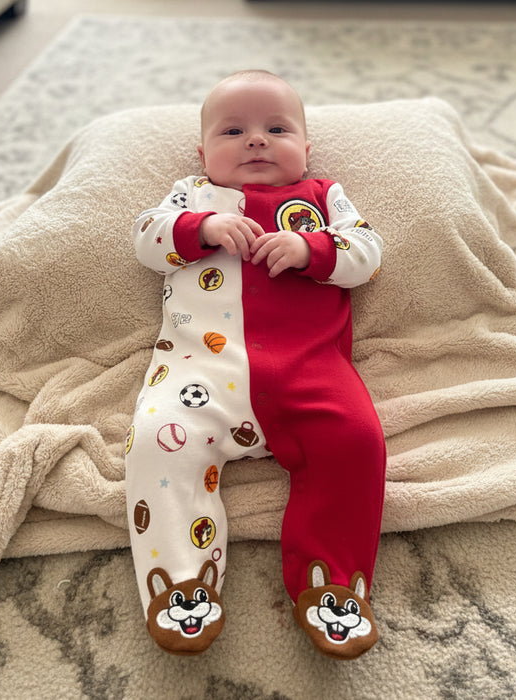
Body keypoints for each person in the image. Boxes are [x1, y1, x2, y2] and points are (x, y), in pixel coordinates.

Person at [125, 70, 386, 659]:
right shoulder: (191, 195)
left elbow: (368, 253)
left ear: (306, 147)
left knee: (357, 442)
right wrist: (202, 228)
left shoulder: (322, 197)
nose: (256, 141)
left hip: (311, 372)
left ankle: (333, 589)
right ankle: (183, 588)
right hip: (197, 375)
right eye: (233, 130)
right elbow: (145, 239)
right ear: (202, 152)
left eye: (276, 128)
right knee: (154, 444)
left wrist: (312, 248)